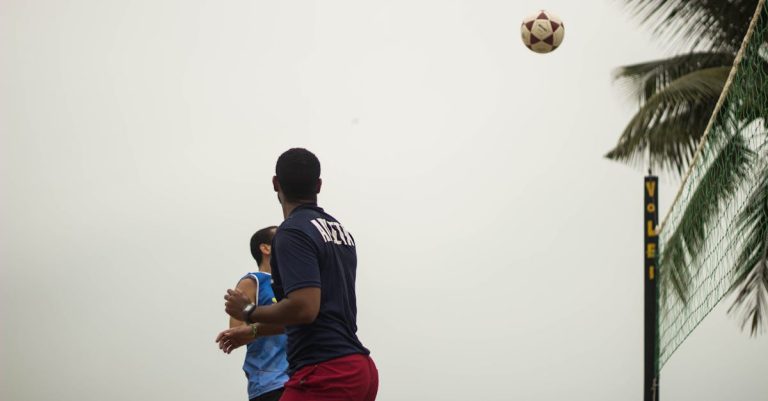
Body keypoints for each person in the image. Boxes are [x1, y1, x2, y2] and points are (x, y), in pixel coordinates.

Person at [223, 148, 378, 401]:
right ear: (319, 185)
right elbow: (310, 314)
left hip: (325, 372)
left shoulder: (292, 231)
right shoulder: (340, 232)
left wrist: (248, 311)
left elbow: (305, 309)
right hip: (359, 369)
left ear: (276, 183)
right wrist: (253, 331)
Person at [216, 226, 289, 401]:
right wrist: (266, 321)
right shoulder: (253, 281)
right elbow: (236, 332)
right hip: (271, 382)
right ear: (265, 248)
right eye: (281, 237)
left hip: (302, 377)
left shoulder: (295, 282)